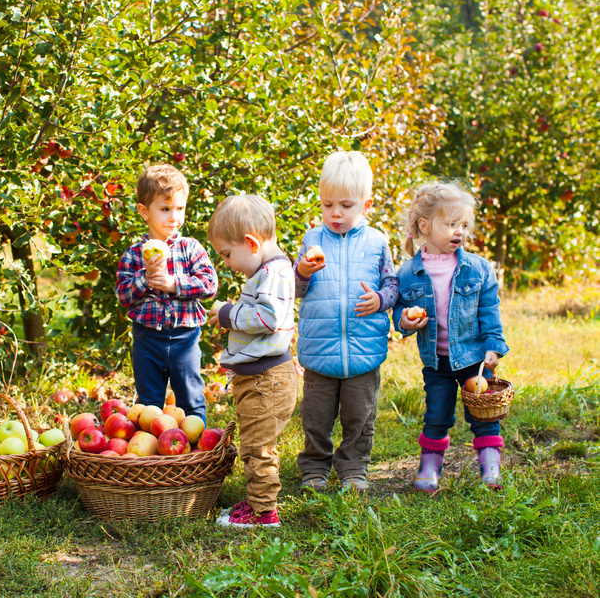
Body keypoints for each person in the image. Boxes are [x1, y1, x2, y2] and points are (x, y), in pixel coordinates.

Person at [393, 182, 509, 491]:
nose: (459, 231)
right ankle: (429, 471)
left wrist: (493, 347)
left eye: (464, 225)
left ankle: (491, 470)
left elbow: (489, 311)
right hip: (436, 362)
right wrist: (405, 321)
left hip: (473, 359)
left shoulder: (478, 269)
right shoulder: (408, 273)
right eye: (450, 224)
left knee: (484, 416)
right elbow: (401, 311)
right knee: (437, 416)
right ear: (425, 225)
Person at [294, 151, 398, 492]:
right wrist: (302, 273)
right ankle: (315, 466)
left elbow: (392, 285)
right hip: (320, 349)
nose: (335, 213)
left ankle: (353, 466)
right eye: (327, 205)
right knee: (315, 417)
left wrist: (380, 300)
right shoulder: (312, 240)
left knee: (360, 416)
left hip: (363, 349)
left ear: (366, 205)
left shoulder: (377, 242)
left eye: (346, 205)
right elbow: (295, 288)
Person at [207, 194, 298, 528]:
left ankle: (264, 513)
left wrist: (229, 313)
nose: (228, 263)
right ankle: (257, 501)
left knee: (258, 448)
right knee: (253, 443)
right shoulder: (267, 271)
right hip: (259, 378)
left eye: (228, 254)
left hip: (266, 380)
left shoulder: (273, 273)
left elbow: (267, 318)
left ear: (250, 242)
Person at [115, 164, 218, 422]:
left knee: (191, 398)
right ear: (144, 212)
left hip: (185, 337)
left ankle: (199, 453)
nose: (174, 217)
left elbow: (209, 284)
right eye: (165, 209)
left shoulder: (190, 248)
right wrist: (145, 278)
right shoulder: (134, 254)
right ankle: (150, 457)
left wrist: (174, 284)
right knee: (148, 404)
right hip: (146, 338)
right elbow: (123, 295)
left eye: (180, 209)